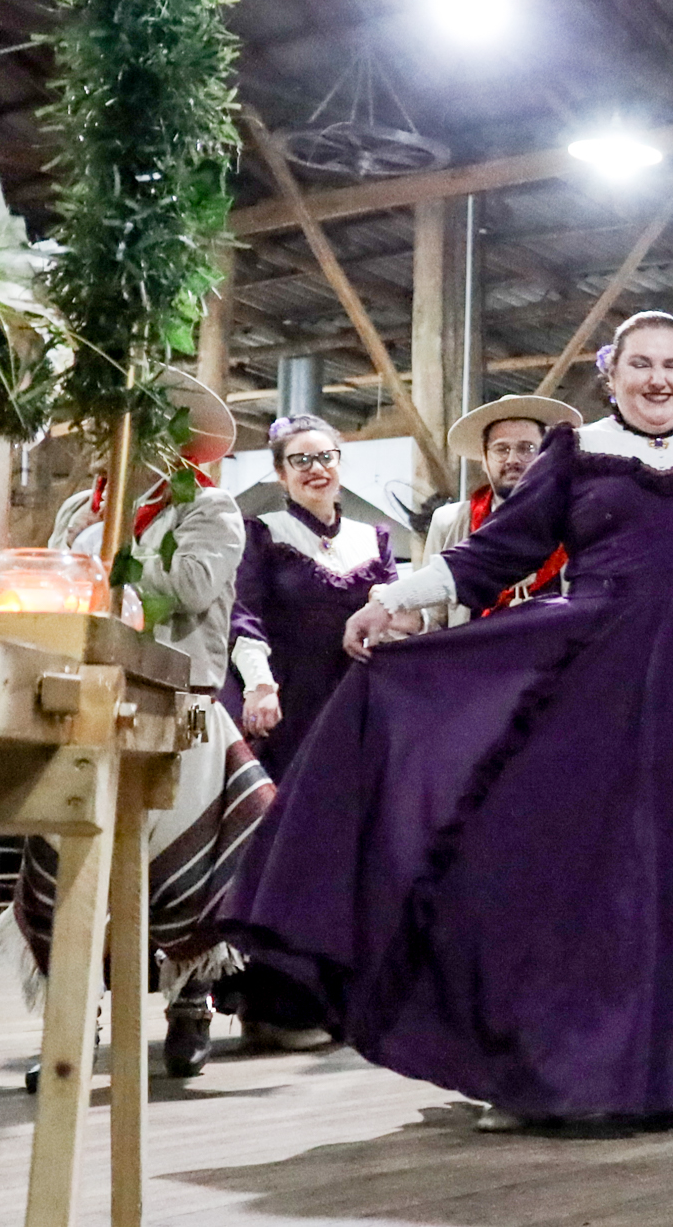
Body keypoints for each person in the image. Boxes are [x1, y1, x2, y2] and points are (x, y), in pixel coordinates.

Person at [241, 311, 673, 1131]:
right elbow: (495, 554)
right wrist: (394, 598)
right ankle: (557, 1056)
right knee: (591, 870)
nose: (660, 380)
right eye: (642, 365)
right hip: (601, 681)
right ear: (609, 376)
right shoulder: (574, 457)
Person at [6, 368, 271, 1081]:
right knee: (73, 860)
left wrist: (100, 565)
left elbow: (190, 586)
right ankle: (77, 1021)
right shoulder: (75, 511)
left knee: (176, 864)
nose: (109, 441)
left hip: (176, 698)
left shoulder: (208, 508)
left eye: (128, 427)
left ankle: (191, 1005)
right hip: (87, 695)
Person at [219, 412, 393, 1052]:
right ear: (279, 473)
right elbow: (244, 617)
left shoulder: (376, 541)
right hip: (288, 715)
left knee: (353, 852)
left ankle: (345, 1002)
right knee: (287, 851)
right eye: (301, 460)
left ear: (341, 463)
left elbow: (397, 612)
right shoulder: (261, 534)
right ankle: (277, 1005)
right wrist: (260, 685)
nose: (317, 469)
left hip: (355, 714)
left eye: (327, 456)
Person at [418, 395, 579, 627]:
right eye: (501, 449)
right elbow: (432, 620)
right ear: (483, 460)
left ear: (546, 457)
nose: (513, 460)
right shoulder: (449, 523)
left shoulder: (575, 522)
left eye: (527, 448)